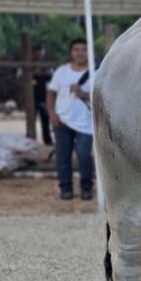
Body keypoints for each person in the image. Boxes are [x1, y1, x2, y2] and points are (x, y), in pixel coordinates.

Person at [46, 38, 94, 200]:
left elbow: (101, 96)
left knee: (84, 155)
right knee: (63, 156)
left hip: (86, 122)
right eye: (76, 49)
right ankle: (65, 188)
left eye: (83, 49)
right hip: (62, 120)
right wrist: (52, 113)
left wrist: (82, 93)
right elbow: (51, 93)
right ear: (71, 52)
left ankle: (86, 186)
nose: (80, 53)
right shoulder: (61, 71)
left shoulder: (96, 72)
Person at [32, 48, 53, 146]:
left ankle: (47, 140)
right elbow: (20, 77)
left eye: (41, 55)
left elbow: (52, 76)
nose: (39, 56)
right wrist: (36, 70)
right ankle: (31, 139)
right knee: (32, 119)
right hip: (31, 98)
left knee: (45, 119)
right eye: (37, 54)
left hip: (43, 96)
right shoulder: (28, 65)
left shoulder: (46, 66)